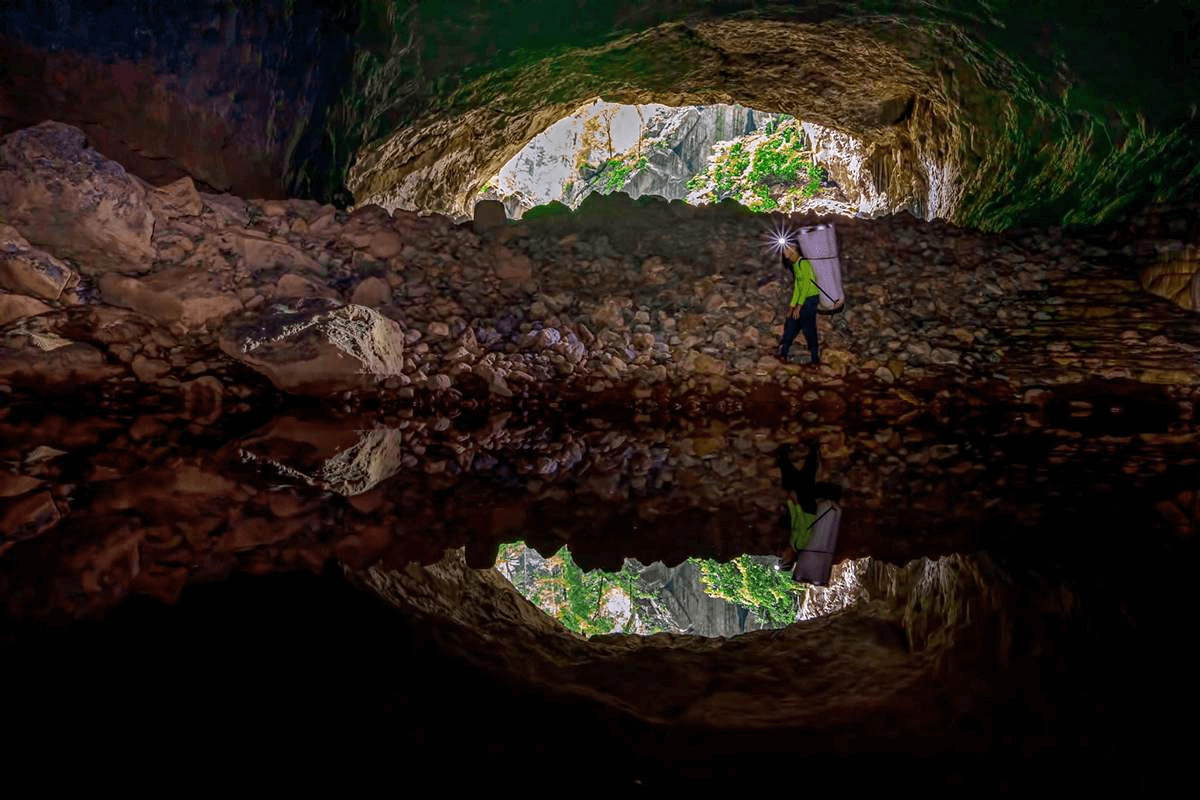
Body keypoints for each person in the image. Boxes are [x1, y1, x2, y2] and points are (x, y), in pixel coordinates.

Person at [775, 442, 843, 585]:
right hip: (807, 509)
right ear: (789, 559)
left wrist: (792, 504)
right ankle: (799, 453)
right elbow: (801, 522)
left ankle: (802, 453)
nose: (782, 554)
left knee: (802, 479)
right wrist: (795, 503)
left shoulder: (795, 544)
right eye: (783, 558)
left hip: (806, 509)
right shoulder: (799, 544)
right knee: (802, 480)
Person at [776, 243, 820, 365]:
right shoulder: (795, 265)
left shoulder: (804, 263)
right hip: (803, 298)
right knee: (791, 323)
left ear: (794, 250)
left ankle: (815, 359)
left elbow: (806, 285)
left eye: (787, 249)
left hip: (811, 299)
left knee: (808, 328)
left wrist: (799, 307)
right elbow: (797, 287)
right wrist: (792, 306)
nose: (784, 252)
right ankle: (783, 353)